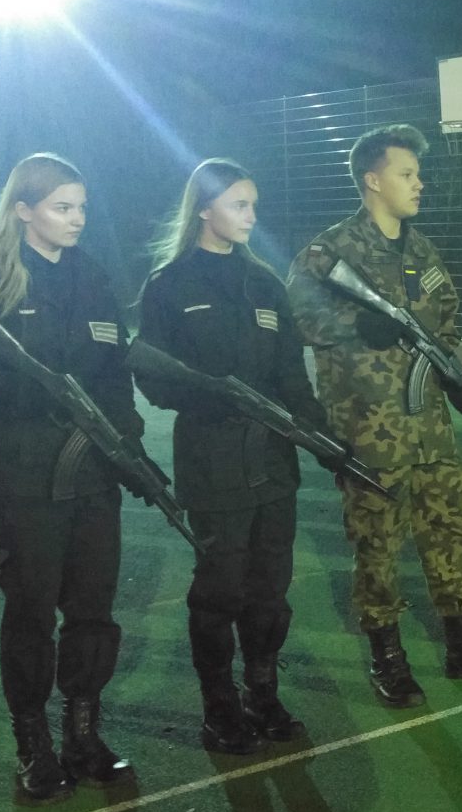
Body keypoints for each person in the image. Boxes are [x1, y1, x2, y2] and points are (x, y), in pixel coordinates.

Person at [288, 125, 462, 706]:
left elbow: (444, 323)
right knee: (377, 544)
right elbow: (297, 314)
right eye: (407, 174)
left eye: (418, 174)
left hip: (430, 430)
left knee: (455, 527)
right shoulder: (330, 252)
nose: (419, 184)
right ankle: (388, 658)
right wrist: (357, 324)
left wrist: (452, 374)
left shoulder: (423, 252)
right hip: (369, 430)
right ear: (373, 181)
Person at [0, 153, 138, 804]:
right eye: (62, 207)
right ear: (23, 210)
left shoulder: (92, 277)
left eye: (81, 207)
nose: (77, 219)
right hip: (22, 475)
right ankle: (33, 743)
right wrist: (16, 386)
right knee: (31, 612)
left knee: (93, 610)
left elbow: (115, 373)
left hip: (92, 471)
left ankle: (83, 733)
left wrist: (128, 444)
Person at [135, 159, 325, 753]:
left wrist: (324, 437)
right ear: (204, 209)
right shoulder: (168, 285)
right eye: (240, 205)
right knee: (219, 591)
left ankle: (262, 694)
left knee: (270, 590)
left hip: (272, 460)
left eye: (253, 205)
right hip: (212, 459)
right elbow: (153, 378)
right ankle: (219, 707)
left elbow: (291, 376)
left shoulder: (264, 283)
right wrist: (211, 396)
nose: (250, 216)